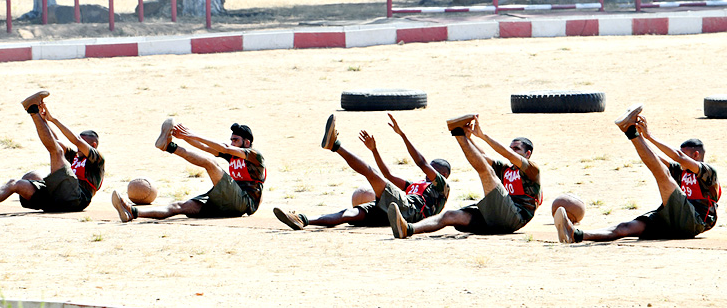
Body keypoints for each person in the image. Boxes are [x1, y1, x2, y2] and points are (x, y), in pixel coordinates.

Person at [556, 105, 719, 243]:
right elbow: (657, 159)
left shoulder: (708, 172)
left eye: (685, 153)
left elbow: (678, 157)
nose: (679, 157)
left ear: (696, 156)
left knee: (664, 176)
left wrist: (648, 136)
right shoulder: (681, 170)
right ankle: (575, 235)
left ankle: (629, 131)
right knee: (624, 228)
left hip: (695, 221)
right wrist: (640, 136)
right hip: (673, 220)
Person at [274, 114, 450, 230]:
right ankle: (304, 219)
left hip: (410, 211)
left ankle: (335, 146)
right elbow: (388, 176)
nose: (428, 170)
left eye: (433, 169)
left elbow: (421, 162)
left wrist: (402, 134)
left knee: (371, 173)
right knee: (350, 214)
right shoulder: (416, 185)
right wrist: (374, 150)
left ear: (443, 174)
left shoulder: (442, 187)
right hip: (395, 211)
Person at [0, 91, 104, 216]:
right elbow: (56, 142)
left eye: (84, 144)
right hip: (56, 199)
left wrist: (54, 119)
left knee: (56, 153)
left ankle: (32, 111)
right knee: (14, 184)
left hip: (76, 199)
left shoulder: (97, 159)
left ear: (93, 145)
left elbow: (75, 141)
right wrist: (45, 120)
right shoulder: (76, 156)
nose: (79, 147)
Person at [389, 114, 540, 239]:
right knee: (450, 215)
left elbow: (504, 155)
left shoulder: (532, 169)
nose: (512, 151)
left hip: (515, 217)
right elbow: (483, 156)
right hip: (496, 218)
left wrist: (483, 135)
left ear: (527, 154)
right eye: (511, 147)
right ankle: (407, 229)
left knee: (487, 172)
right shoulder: (506, 169)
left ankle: (457, 134)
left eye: (517, 149)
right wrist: (469, 138)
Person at [111, 119, 264, 221]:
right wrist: (184, 136)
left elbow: (223, 147)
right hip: (230, 202)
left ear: (247, 142)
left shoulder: (254, 155)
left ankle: (169, 147)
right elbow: (205, 147)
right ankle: (132, 212)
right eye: (231, 139)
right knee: (180, 207)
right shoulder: (233, 156)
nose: (231, 143)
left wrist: (193, 134)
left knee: (210, 164)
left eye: (235, 140)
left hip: (244, 202)